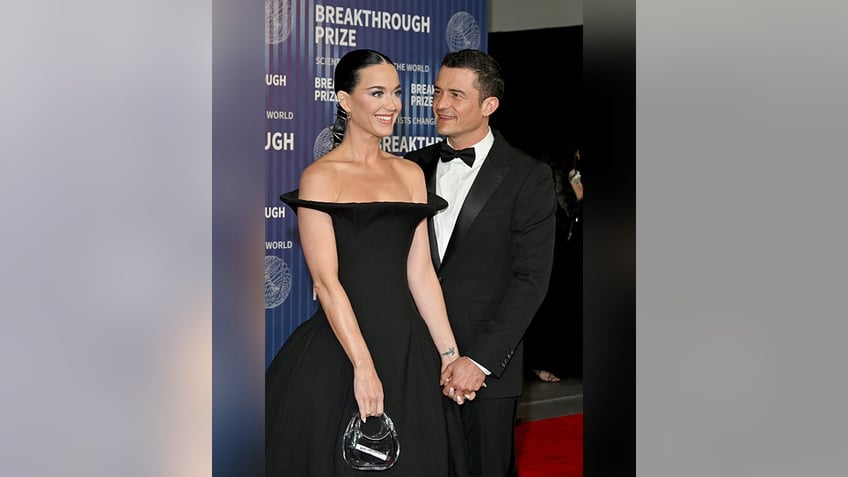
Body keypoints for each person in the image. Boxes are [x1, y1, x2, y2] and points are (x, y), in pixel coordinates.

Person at [265, 49, 470, 476]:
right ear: (344, 100)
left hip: (409, 349)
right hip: (344, 349)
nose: (392, 104)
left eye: (396, 93)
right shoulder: (321, 177)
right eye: (377, 92)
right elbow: (326, 283)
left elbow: (421, 273)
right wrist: (363, 365)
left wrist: (449, 354)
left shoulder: (410, 174)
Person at [405, 49, 557, 477]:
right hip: (414, 356)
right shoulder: (409, 168)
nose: (439, 104)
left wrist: (480, 361)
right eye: (437, 92)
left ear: (489, 105)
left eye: (455, 94)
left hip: (485, 367)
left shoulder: (528, 176)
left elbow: (531, 280)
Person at [524, 149, 584, 383]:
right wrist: (579, 197)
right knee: (552, 310)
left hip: (563, 255)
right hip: (555, 255)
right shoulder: (551, 170)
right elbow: (566, 210)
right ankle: (541, 364)